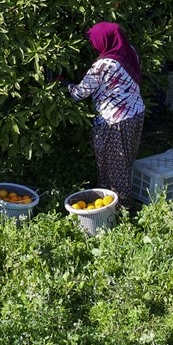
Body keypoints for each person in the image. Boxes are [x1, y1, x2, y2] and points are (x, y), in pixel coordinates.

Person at [58, 22, 145, 210]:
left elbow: (79, 93)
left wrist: (64, 84)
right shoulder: (130, 52)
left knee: (114, 167)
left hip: (115, 121)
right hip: (135, 114)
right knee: (125, 161)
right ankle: (110, 201)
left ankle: (121, 209)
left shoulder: (103, 65)